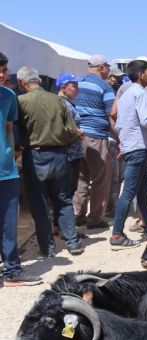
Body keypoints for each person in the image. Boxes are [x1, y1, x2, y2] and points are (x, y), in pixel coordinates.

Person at [16, 66, 84, 257]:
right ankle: (73, 242)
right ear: (38, 80)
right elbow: (72, 131)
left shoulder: (20, 101)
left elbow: (16, 132)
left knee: (40, 203)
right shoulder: (58, 100)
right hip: (60, 155)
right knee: (63, 200)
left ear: (22, 82)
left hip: (34, 156)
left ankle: (48, 248)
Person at [110, 60, 147, 248]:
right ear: (141, 74)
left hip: (133, 147)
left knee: (143, 192)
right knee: (128, 193)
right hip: (138, 149)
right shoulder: (140, 92)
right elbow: (146, 120)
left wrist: (124, 146)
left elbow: (119, 123)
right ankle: (117, 234)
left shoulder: (126, 93)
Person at [0, 52, 42, 286]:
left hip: (6, 171)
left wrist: (11, 157)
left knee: (8, 224)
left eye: (4, 69)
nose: (2, 74)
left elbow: (8, 130)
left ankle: (13, 271)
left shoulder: (8, 96)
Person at [73, 55, 115, 229]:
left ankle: (77, 215)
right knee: (100, 180)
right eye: (107, 67)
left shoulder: (76, 83)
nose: (108, 71)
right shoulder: (105, 86)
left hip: (77, 137)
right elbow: (111, 115)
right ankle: (95, 219)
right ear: (101, 67)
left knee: (81, 179)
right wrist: (119, 139)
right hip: (96, 137)